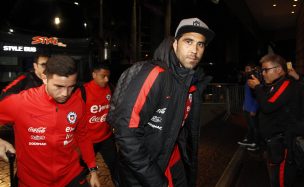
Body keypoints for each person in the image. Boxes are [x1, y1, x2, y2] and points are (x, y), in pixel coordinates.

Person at [107, 18, 214, 187]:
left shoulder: (190, 81)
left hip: (171, 158)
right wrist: (154, 180)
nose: (195, 50)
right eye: (188, 41)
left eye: (200, 44)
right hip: (142, 171)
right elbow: (126, 132)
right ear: (175, 44)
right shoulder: (155, 74)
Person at [0, 55, 100, 187]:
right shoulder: (21, 103)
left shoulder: (77, 103)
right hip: (33, 181)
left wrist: (92, 169)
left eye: (71, 86)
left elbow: (83, 136)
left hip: (70, 176)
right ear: (44, 78)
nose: (65, 93)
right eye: (59, 86)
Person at [247, 54, 302, 187]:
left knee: (281, 179)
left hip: (283, 143)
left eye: (266, 70)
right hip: (273, 142)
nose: (263, 74)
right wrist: (258, 88)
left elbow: (268, 105)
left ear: (278, 70)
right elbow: (265, 99)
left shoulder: (286, 84)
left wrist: (258, 87)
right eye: (262, 70)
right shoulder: (275, 84)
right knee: (274, 176)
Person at [82, 63, 119, 186]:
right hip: (88, 140)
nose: (106, 79)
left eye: (108, 76)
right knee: (80, 170)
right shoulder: (83, 91)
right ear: (94, 75)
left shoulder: (110, 88)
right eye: (103, 76)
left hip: (105, 137)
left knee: (115, 165)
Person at [238, 64, 260, 151]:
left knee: (255, 127)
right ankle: (250, 140)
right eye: (245, 69)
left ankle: (256, 143)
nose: (246, 71)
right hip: (247, 107)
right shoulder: (247, 80)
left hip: (252, 109)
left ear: (252, 70)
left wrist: (254, 108)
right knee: (250, 126)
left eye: (248, 69)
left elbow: (257, 96)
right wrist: (244, 105)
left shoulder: (254, 81)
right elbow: (247, 95)